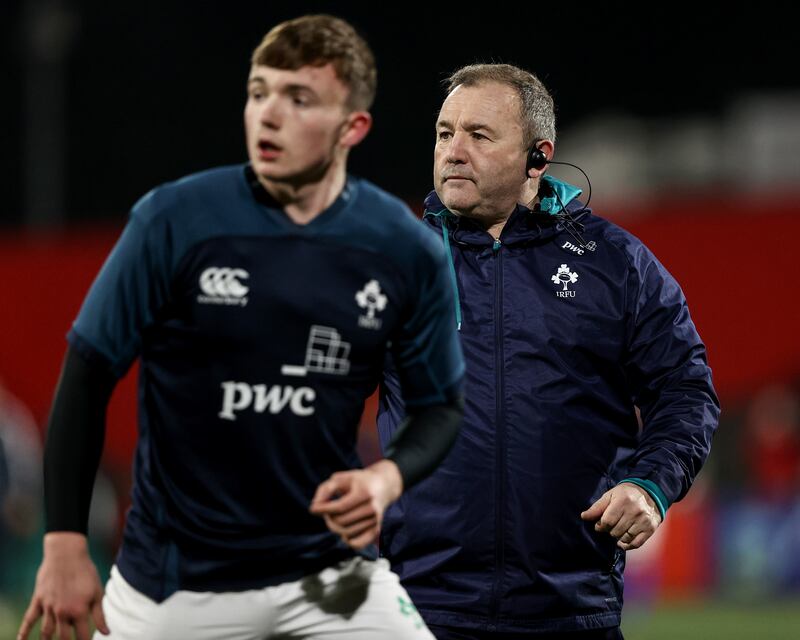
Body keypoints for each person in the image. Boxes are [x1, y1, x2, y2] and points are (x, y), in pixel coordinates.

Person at [18, 15, 464, 640]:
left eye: (298, 98)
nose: (268, 114)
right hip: (173, 586)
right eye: (259, 92)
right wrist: (64, 543)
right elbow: (88, 374)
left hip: (328, 573)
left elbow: (439, 405)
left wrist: (384, 478)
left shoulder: (406, 250)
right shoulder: (174, 220)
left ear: (352, 127)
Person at [374, 64, 720, 639]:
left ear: (538, 157)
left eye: (478, 136)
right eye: (444, 133)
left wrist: (650, 484)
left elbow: (685, 389)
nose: (454, 151)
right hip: (419, 607)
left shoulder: (616, 263)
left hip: (573, 607)